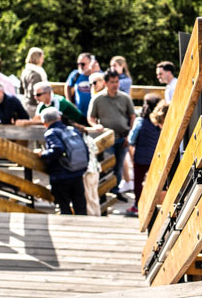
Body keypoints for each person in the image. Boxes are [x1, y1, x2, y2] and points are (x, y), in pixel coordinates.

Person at [88, 69, 135, 202]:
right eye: (112, 82)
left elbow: (132, 117)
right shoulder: (98, 99)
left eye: (117, 82)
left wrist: (129, 135)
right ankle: (103, 192)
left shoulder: (125, 97)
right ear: (105, 83)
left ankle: (115, 191)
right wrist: (95, 126)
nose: (115, 84)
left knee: (118, 166)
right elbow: (90, 117)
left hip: (122, 137)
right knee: (106, 166)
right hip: (106, 139)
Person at [38, 107, 87, 215]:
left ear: (45, 123)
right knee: (80, 205)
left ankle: (68, 229)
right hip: (77, 172)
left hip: (61, 175)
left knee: (64, 205)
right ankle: (84, 227)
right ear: (59, 118)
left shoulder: (51, 133)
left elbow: (57, 149)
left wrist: (43, 154)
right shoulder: (72, 129)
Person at [126, 94, 168, 216]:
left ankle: (138, 205)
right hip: (157, 157)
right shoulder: (161, 122)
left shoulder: (140, 121)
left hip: (141, 157)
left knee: (138, 182)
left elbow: (131, 139)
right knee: (157, 182)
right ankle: (155, 204)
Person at [20, 47, 48, 118]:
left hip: (26, 103)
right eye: (42, 58)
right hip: (34, 107)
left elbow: (21, 90)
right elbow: (34, 92)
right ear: (37, 58)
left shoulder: (25, 71)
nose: (43, 60)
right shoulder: (36, 74)